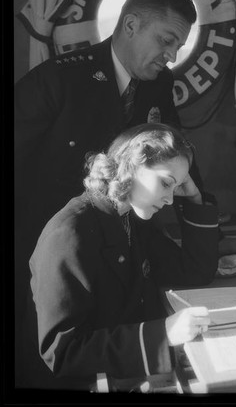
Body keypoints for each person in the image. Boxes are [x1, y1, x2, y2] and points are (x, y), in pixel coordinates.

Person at [14, 0, 203, 342]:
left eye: (178, 46)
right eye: (166, 40)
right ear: (131, 25)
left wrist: (198, 209)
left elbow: (179, 157)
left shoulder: (159, 85)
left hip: (122, 251)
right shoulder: (60, 78)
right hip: (51, 256)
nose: (172, 55)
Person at [21, 123, 219, 390]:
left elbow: (193, 270)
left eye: (177, 187)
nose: (171, 199)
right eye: (165, 183)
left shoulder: (130, 219)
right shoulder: (69, 233)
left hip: (126, 372)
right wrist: (163, 334)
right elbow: (61, 353)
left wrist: (194, 198)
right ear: (130, 166)